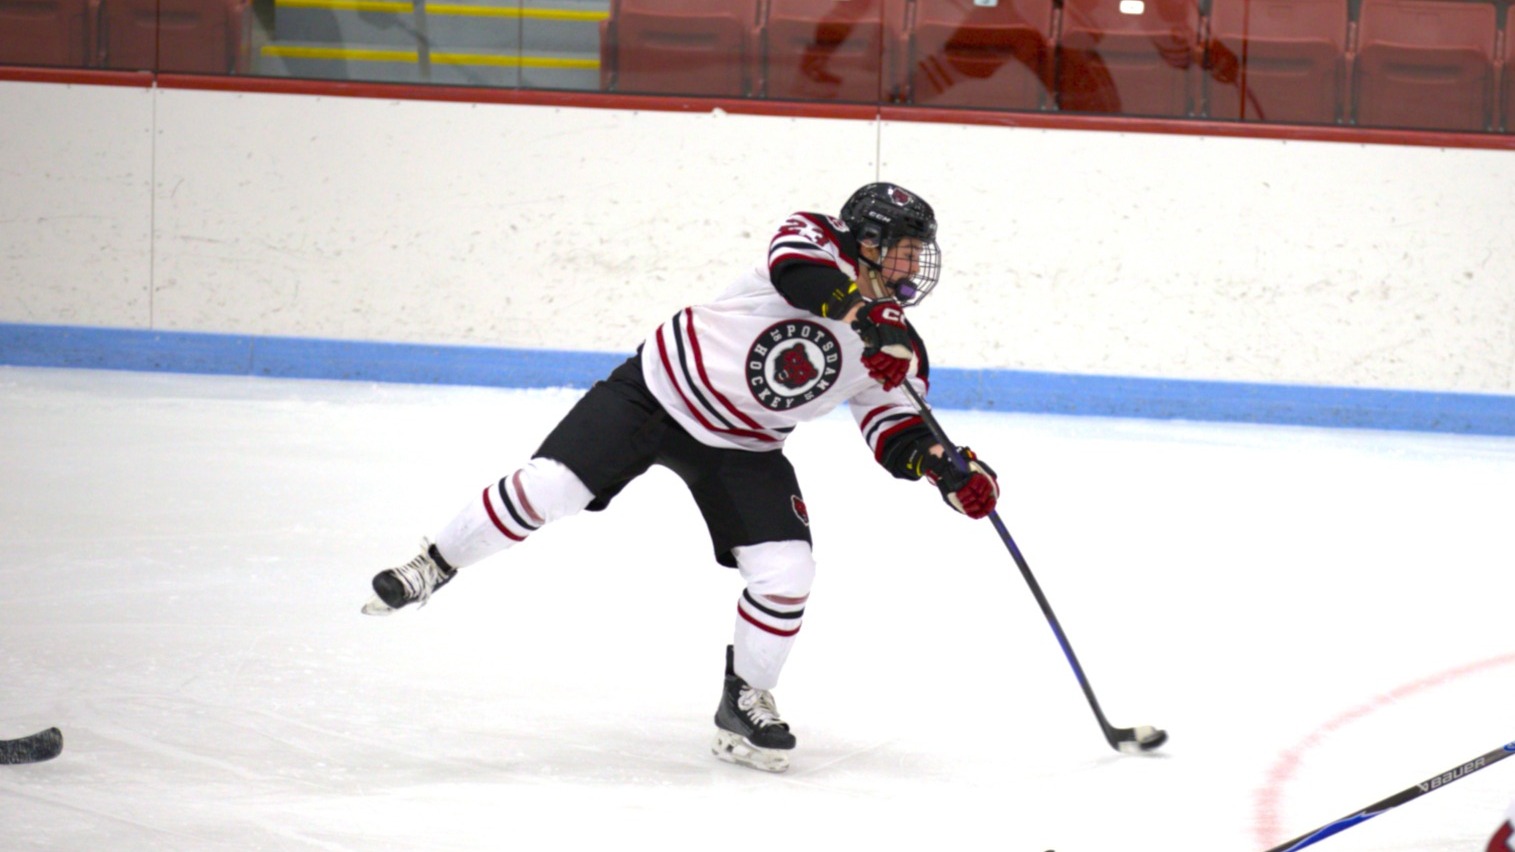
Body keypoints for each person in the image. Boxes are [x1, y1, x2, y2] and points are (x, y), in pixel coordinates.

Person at [362, 182, 1000, 772]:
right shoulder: (812, 239)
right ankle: (435, 563)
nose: (914, 270)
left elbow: (895, 433)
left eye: (920, 256)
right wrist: (862, 316)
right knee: (547, 489)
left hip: (745, 446)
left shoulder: (898, 345)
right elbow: (798, 277)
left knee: (787, 572)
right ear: (867, 245)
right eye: (906, 254)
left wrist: (944, 467)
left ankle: (744, 700)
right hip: (654, 397)